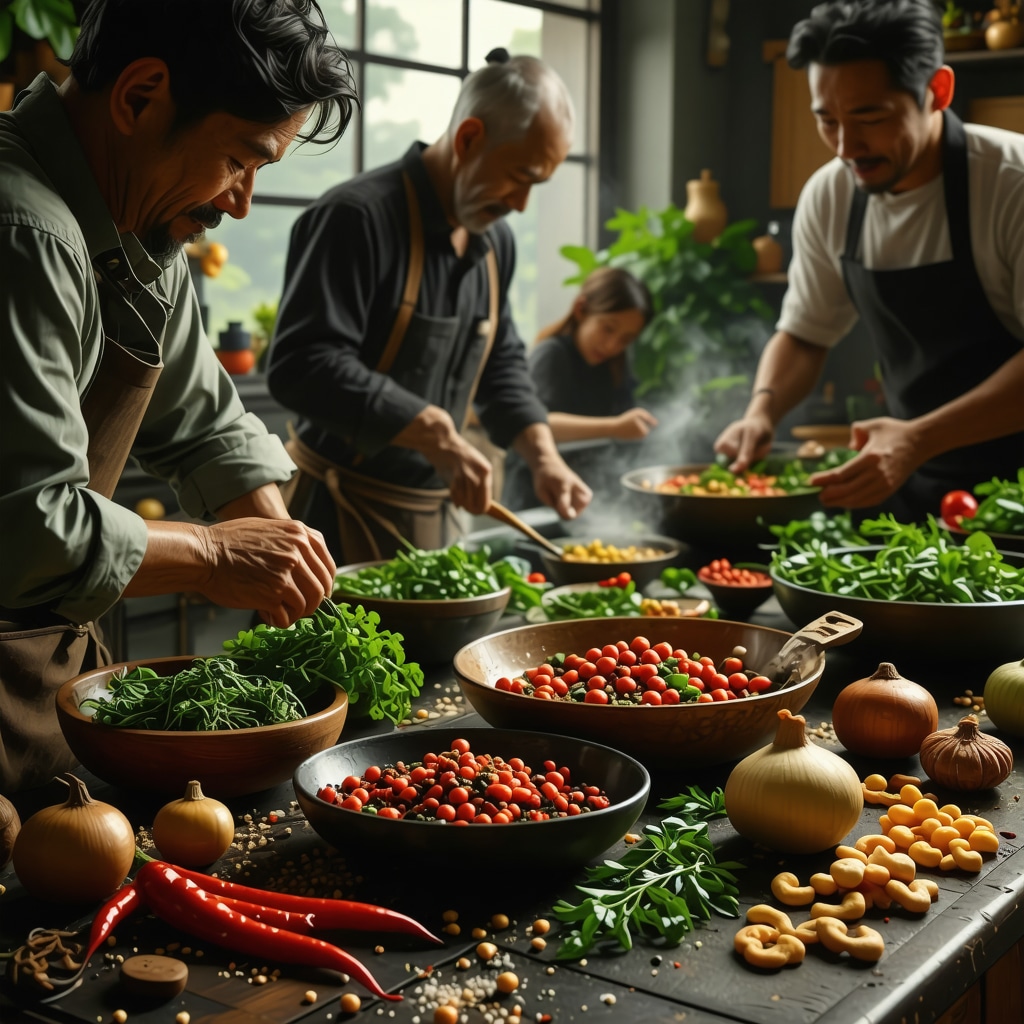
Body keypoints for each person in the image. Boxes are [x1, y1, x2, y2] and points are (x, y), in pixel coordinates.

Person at [0, 0, 358, 793]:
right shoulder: (23, 231)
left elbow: (204, 427)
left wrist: (283, 554)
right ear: (138, 97)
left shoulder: (144, 226)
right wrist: (214, 555)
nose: (242, 202)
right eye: (242, 160)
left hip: (41, 675)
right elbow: (29, 525)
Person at [267, 50, 593, 564]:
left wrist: (544, 456)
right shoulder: (356, 218)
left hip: (436, 522)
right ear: (468, 139)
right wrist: (436, 432)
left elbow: (501, 363)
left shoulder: (494, 243)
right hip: (331, 518)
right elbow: (302, 366)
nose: (522, 204)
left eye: (538, 185)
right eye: (521, 176)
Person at [714, 0, 1024, 520]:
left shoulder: (1010, 184)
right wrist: (761, 411)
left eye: (869, 117)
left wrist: (917, 439)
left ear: (937, 92)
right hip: (915, 482)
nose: (845, 146)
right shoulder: (831, 196)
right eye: (826, 120)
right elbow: (806, 332)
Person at [502, 266, 657, 509]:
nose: (612, 345)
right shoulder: (552, 354)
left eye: (626, 339)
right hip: (534, 495)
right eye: (608, 328)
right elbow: (535, 423)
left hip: (582, 495)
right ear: (581, 309)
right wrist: (615, 427)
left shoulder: (614, 367)